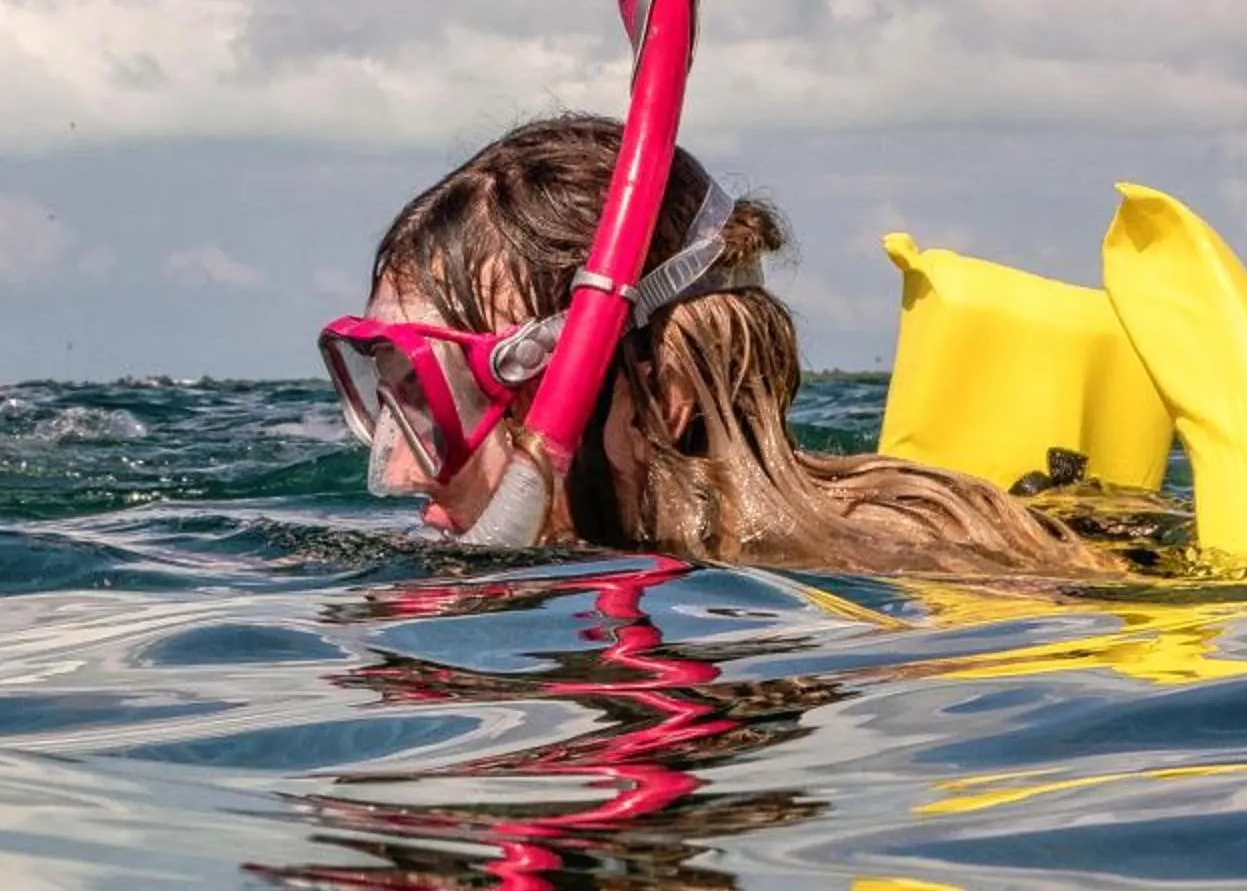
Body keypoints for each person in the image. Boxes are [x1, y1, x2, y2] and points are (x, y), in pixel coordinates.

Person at [323, 115, 1107, 577]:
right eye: (390, 392)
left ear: (661, 392)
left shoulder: (897, 583)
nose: (395, 469)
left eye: (447, 392)